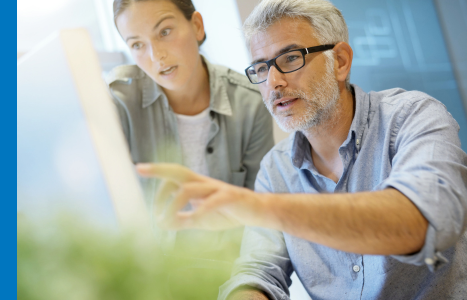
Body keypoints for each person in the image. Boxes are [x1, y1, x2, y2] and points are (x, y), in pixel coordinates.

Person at [136, 0, 467, 299]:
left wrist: (255, 206)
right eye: (262, 68)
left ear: (339, 61)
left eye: (291, 58)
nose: (273, 82)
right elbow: (258, 272)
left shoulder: (413, 116)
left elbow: (420, 222)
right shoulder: (275, 170)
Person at [106, 0, 274, 263]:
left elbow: (262, 213)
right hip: (152, 271)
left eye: (164, 32)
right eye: (137, 44)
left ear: (196, 26)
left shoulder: (250, 102)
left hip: (231, 266)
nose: (155, 56)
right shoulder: (116, 104)